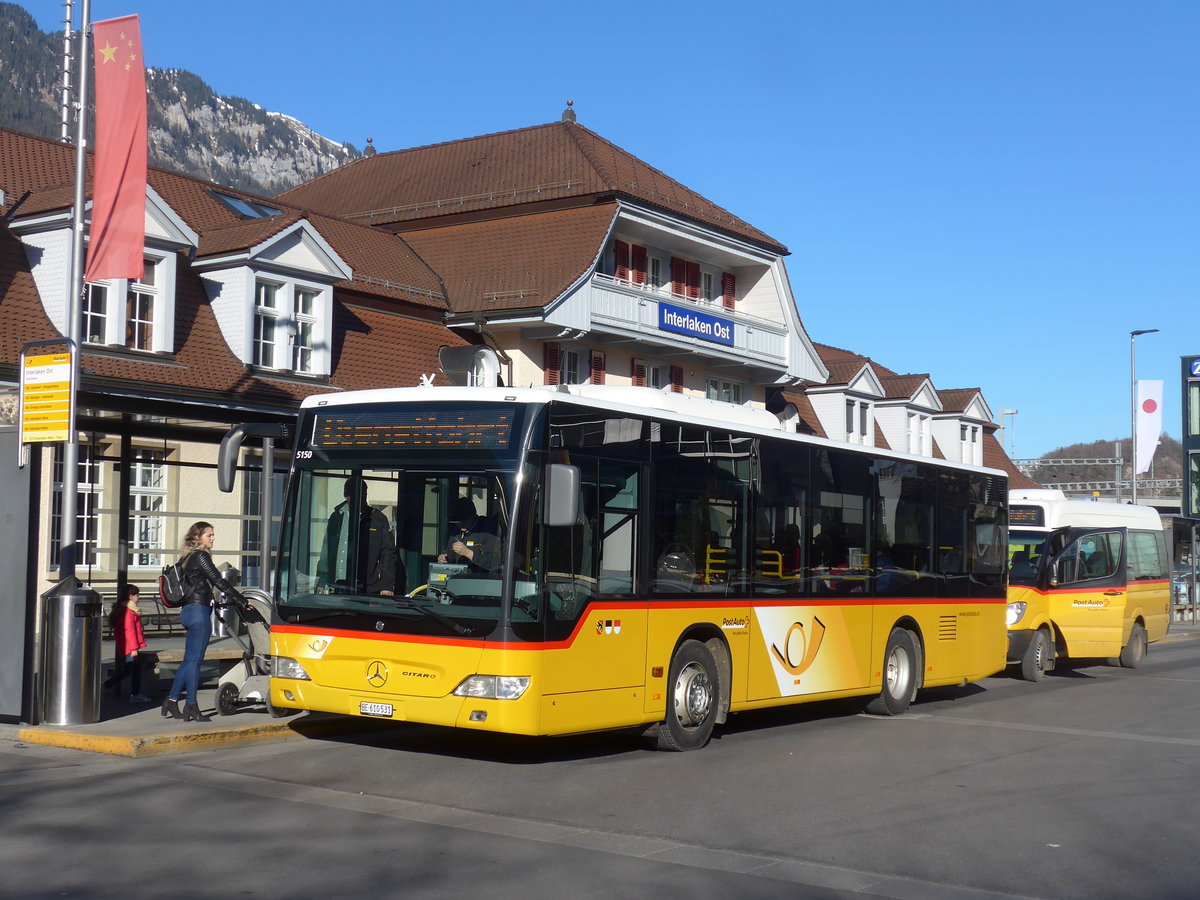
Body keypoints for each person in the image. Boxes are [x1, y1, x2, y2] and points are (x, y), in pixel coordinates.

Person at [163, 521, 250, 723]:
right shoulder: (201, 556)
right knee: (195, 661)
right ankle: (191, 705)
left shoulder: (185, 557)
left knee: (188, 660)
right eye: (208, 535)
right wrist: (242, 601)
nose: (212, 538)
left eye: (212, 534)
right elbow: (219, 581)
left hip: (188, 611)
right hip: (198, 614)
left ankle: (172, 700)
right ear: (197, 537)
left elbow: (198, 585)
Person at [316, 478, 400, 595]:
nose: (359, 497)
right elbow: (326, 551)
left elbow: (389, 554)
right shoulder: (336, 517)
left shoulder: (377, 519)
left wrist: (387, 585)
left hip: (367, 588)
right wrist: (321, 581)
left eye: (363, 493)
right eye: (354, 494)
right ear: (346, 495)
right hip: (336, 587)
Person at [103, 584, 151, 702]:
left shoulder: (124, 610)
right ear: (131, 596)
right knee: (129, 670)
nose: (138, 597)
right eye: (137, 595)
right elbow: (130, 631)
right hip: (129, 647)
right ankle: (106, 685)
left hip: (127, 647)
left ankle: (135, 693)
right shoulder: (129, 612)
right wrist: (134, 649)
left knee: (135, 669)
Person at [438, 496, 500, 574]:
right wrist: (445, 559)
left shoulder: (487, 531)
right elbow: (451, 555)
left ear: (474, 517)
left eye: (464, 522)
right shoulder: (456, 532)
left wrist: (468, 553)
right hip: (458, 579)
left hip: (482, 581)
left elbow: (496, 563)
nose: (461, 526)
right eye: (458, 523)